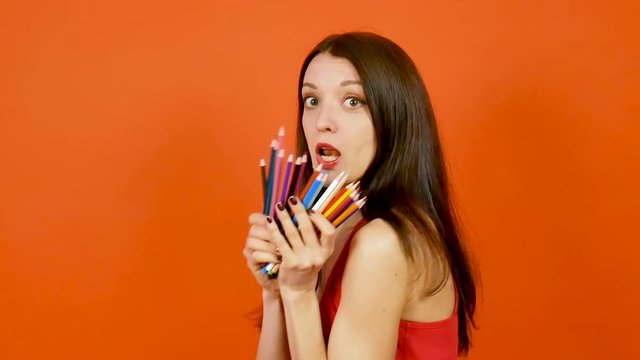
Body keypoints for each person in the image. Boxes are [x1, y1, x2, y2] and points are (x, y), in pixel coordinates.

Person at [242, 32, 478, 359]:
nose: (322, 122)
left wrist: (298, 293)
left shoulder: (383, 243)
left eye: (352, 101)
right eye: (311, 100)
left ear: (394, 117)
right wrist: (275, 292)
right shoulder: (331, 227)